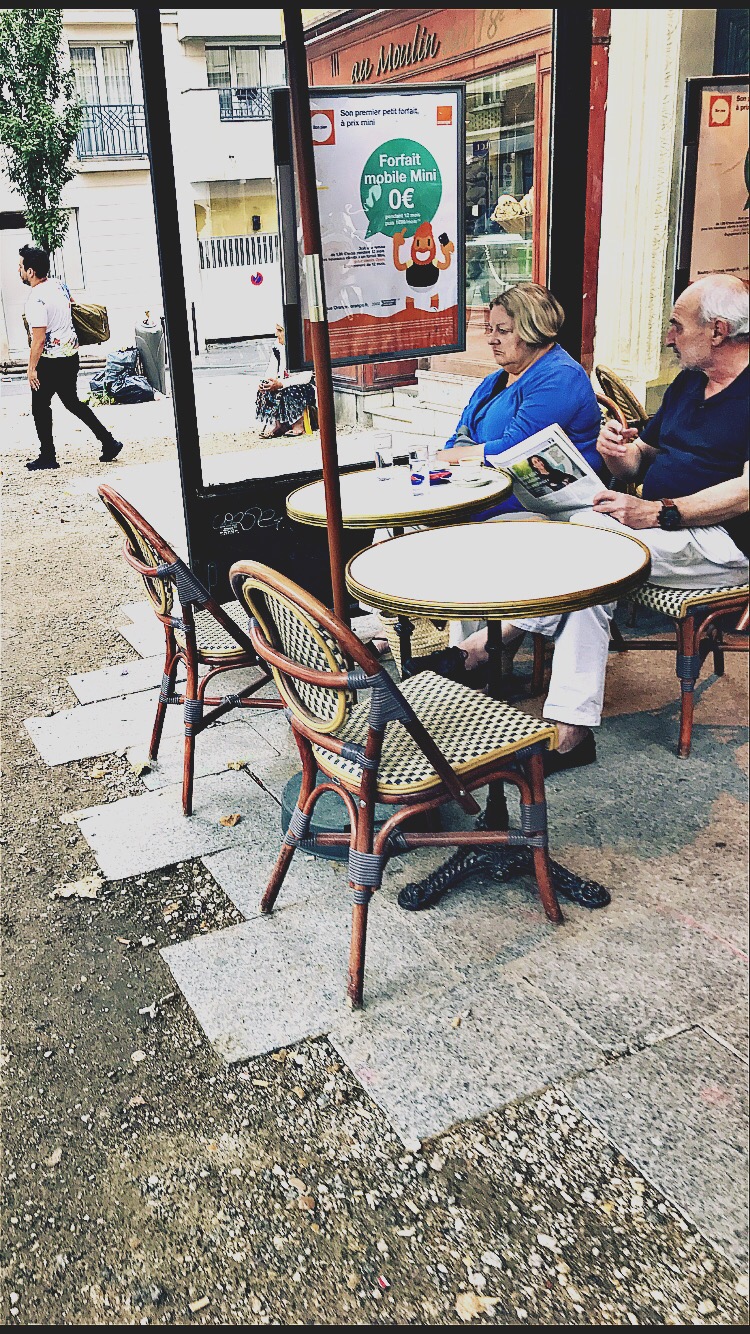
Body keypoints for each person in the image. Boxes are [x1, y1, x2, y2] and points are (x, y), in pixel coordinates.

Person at [452, 273, 750, 774]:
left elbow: (746, 490)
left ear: (718, 331)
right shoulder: (689, 383)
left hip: (722, 543)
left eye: (677, 326)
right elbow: (640, 460)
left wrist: (661, 512)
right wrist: (617, 452)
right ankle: (571, 732)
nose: (669, 337)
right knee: (583, 556)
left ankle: (484, 646)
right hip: (661, 529)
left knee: (595, 550)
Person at [435, 282, 602, 515]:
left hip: (540, 505)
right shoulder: (495, 380)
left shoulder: (561, 377)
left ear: (533, 331)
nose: (491, 339)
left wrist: (444, 458)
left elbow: (513, 450)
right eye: (490, 329)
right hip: (484, 488)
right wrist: (444, 464)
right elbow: (461, 433)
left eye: (502, 331)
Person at [19, 245, 122, 471]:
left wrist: (31, 368)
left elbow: (38, 340)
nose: (20, 271)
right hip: (70, 356)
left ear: (31, 271)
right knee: (72, 402)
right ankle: (108, 441)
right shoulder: (59, 285)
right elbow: (74, 309)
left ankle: (48, 456)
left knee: (40, 407)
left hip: (50, 361)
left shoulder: (35, 300)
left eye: (21, 267)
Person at [255, 322, 316, 439]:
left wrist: (281, 384)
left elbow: (306, 376)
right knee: (267, 389)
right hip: (283, 383)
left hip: (304, 387)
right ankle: (280, 425)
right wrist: (266, 383)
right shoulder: (278, 347)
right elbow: (272, 369)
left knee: (290, 390)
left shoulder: (302, 347)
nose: (276, 334)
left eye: (280, 330)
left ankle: (298, 426)